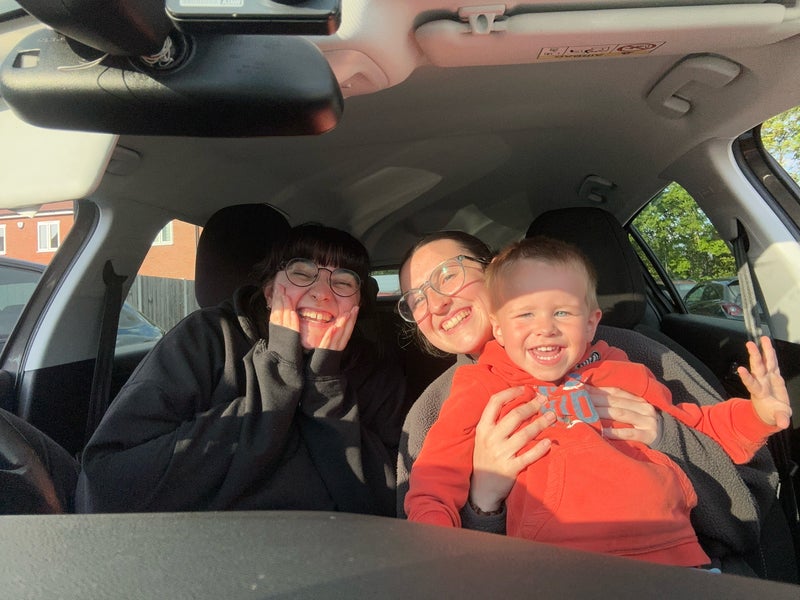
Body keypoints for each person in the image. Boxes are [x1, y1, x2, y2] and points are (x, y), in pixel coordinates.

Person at [404, 236, 790, 566]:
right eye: (416, 298)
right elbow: (430, 499)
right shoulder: (446, 402)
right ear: (500, 325)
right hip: (555, 572)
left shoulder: (627, 359)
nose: (436, 303)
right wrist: (481, 506)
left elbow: (714, 439)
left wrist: (751, 416)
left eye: (447, 275)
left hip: (677, 561)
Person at [76, 223, 406, 516]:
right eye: (302, 274)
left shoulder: (374, 369)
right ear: (269, 291)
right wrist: (279, 376)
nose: (321, 293)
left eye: (343, 281)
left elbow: (393, 502)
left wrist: (325, 387)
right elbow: (109, 484)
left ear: (357, 303)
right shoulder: (205, 339)